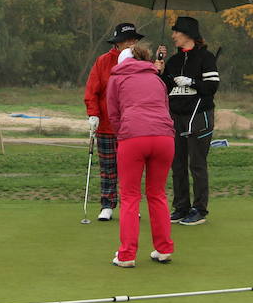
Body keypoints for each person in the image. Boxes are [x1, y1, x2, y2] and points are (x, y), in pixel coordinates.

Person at [105, 41, 176, 268]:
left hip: (133, 138)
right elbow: (165, 107)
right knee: (157, 194)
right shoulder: (155, 77)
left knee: (129, 196)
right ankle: (164, 249)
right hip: (164, 138)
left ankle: (126, 255)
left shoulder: (116, 78)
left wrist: (123, 134)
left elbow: (113, 114)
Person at [158, 15, 219, 226]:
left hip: (199, 116)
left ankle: (199, 209)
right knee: (178, 164)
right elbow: (163, 89)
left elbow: (211, 86)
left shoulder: (206, 57)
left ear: (188, 34)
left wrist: (192, 81)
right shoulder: (173, 61)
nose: (173, 35)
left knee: (197, 164)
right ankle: (181, 207)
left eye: (176, 31)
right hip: (176, 117)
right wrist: (159, 71)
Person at [83, 22, 144, 221]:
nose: (130, 44)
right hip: (108, 125)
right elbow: (92, 91)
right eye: (126, 41)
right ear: (117, 43)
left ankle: (131, 205)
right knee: (108, 168)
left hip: (132, 126)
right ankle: (107, 205)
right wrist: (93, 115)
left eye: (133, 40)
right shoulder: (103, 62)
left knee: (131, 169)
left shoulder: (141, 62)